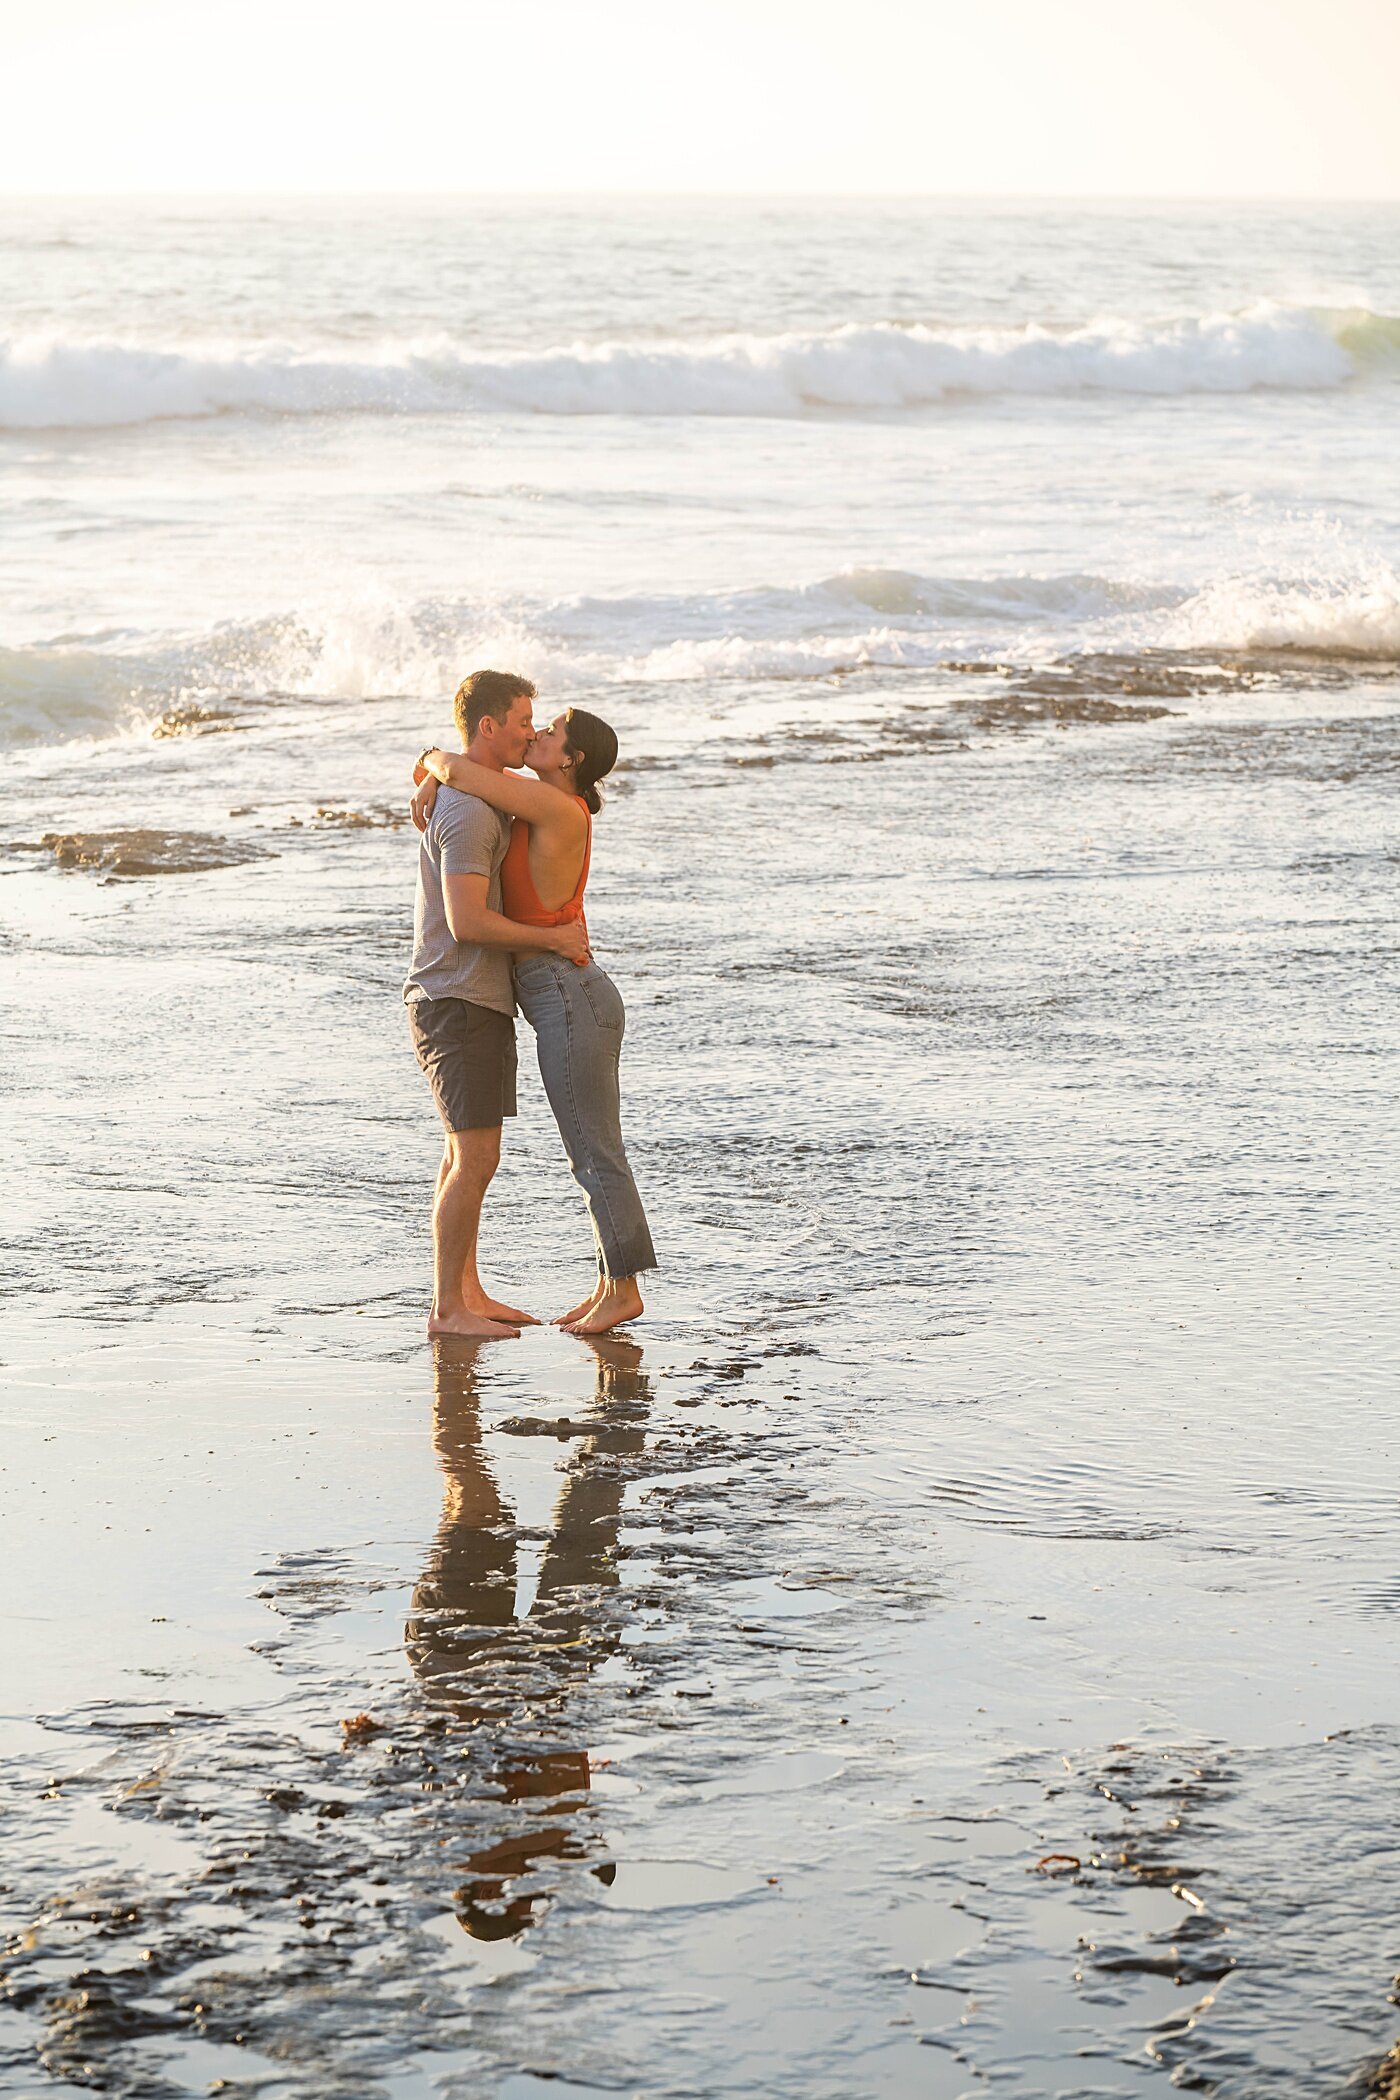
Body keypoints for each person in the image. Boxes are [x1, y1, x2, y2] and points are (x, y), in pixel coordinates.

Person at [412, 696, 656, 1337]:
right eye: (533, 725)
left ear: (571, 760)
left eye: (549, 732)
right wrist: (428, 766)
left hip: (567, 992)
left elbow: (463, 771)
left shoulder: (553, 803)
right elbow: (471, 772)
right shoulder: (534, 796)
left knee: (592, 1148)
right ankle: (609, 1282)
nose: (538, 734)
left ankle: (623, 1288)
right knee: (588, 1145)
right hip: (558, 993)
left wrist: (434, 761)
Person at [404, 670, 589, 1340]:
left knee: (468, 1157)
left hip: (471, 999)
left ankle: (465, 1292)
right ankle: (447, 1309)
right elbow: (467, 923)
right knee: (473, 1157)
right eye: (520, 721)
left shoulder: (475, 795)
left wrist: (429, 764)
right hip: (453, 998)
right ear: (489, 726)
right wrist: (552, 937)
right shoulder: (469, 810)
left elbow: (448, 763)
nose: (530, 732)